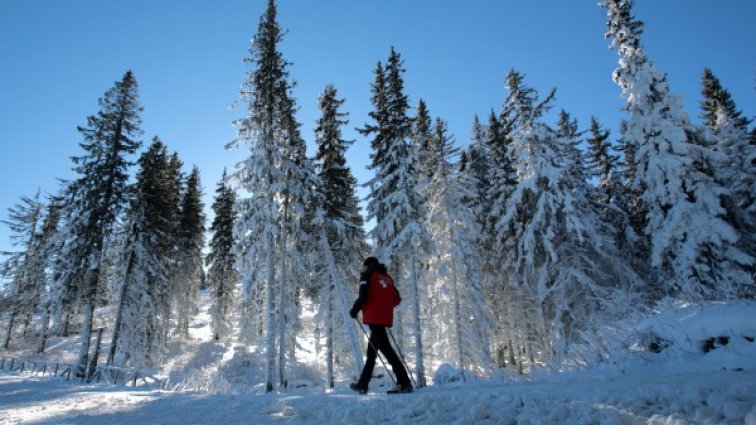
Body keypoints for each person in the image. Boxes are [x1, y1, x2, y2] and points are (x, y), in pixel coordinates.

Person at [349, 256, 413, 394]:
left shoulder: (368, 275)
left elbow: (363, 296)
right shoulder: (387, 277)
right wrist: (384, 307)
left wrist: (354, 310)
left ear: (368, 266)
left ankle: (404, 382)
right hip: (384, 319)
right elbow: (396, 299)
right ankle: (363, 384)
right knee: (372, 353)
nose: (363, 269)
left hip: (374, 319)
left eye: (364, 266)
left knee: (388, 352)